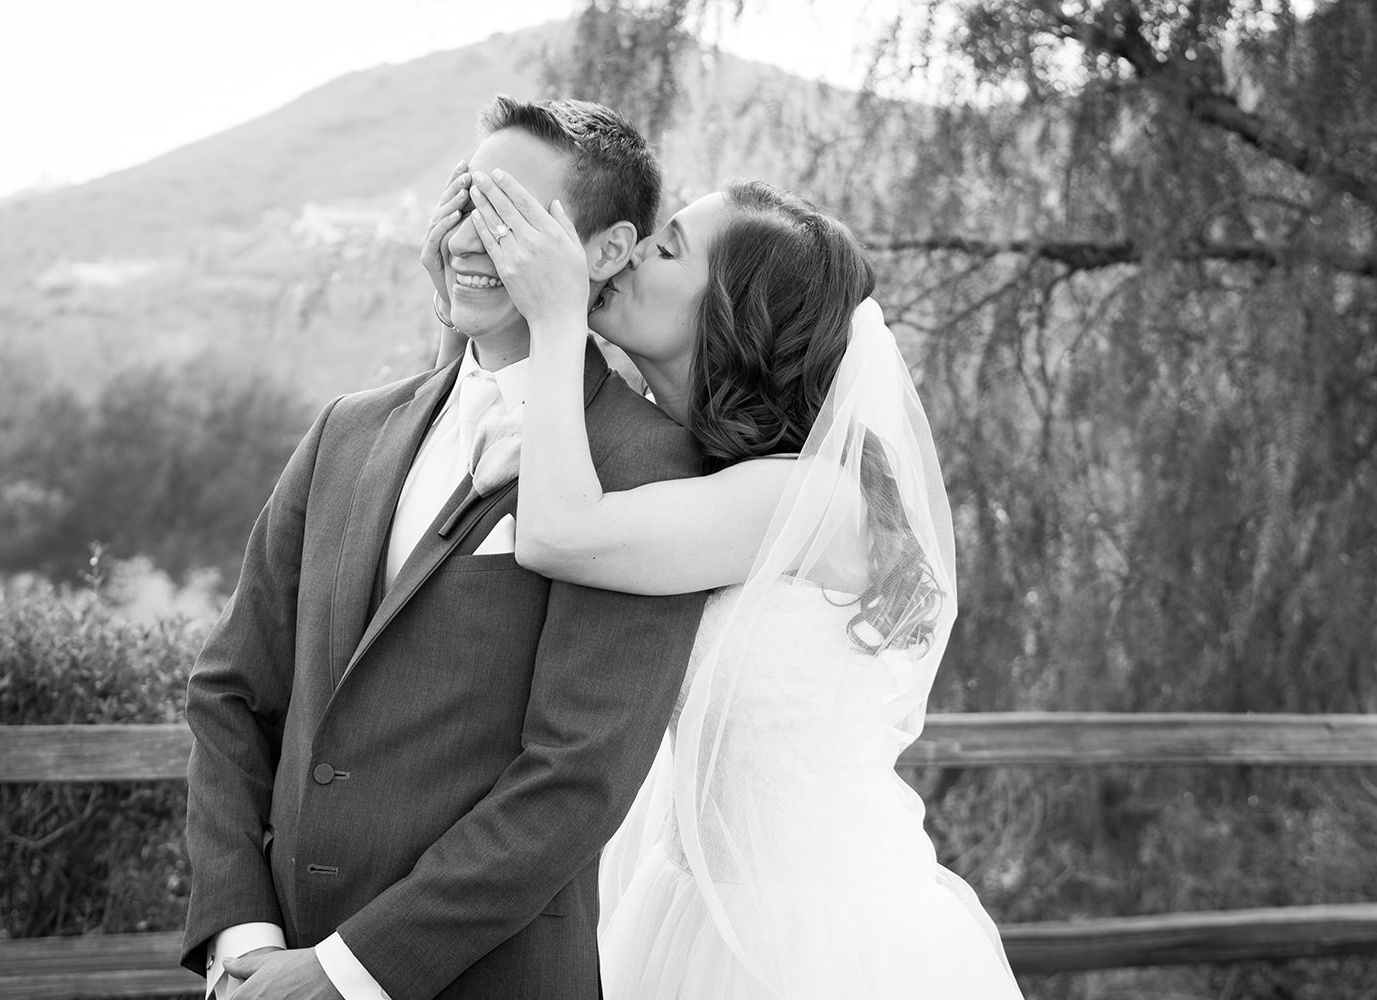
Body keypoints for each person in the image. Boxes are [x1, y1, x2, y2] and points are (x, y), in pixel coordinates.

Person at [448, 169, 1027, 998]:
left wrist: (552, 315)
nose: (635, 252)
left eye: (668, 247)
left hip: (815, 942)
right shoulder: (696, 470)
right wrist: (467, 308)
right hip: (693, 908)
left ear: (733, 312)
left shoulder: (808, 496)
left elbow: (556, 533)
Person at [180, 97, 709, 1000]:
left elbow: (574, 780)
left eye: (507, 217)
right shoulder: (347, 431)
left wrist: (342, 974)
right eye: (464, 201)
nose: (467, 238)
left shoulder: (650, 466)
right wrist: (247, 941)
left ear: (608, 252)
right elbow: (233, 692)